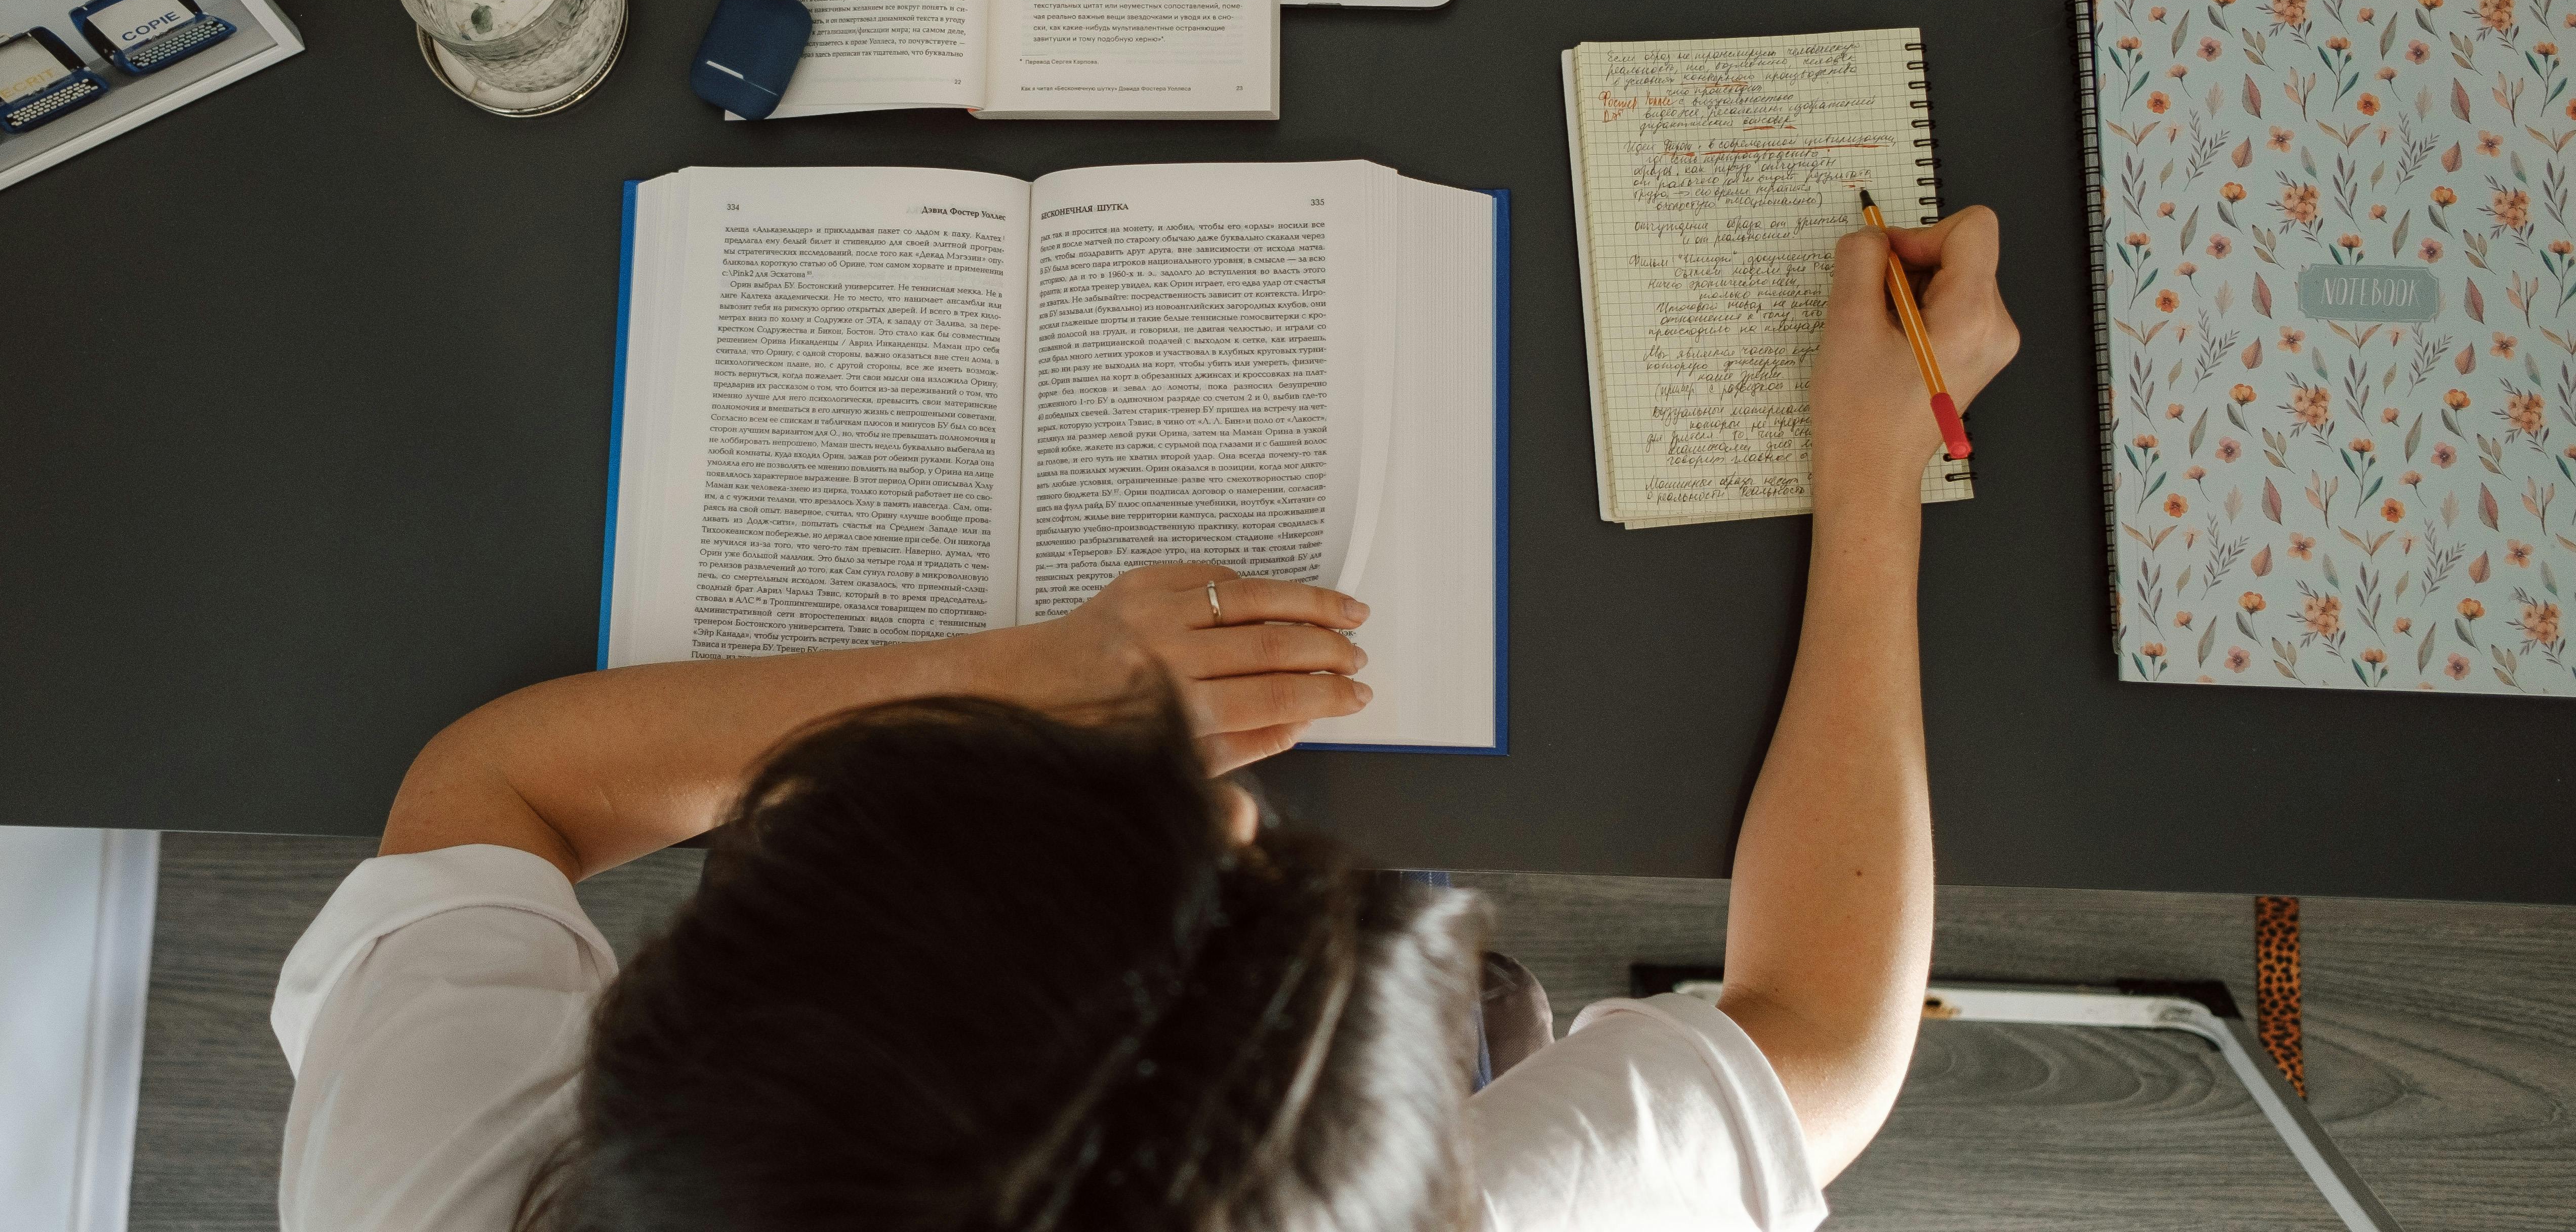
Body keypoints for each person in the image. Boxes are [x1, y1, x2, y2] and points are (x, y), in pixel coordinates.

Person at [274, 209, 2019, 1232]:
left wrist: (1045, 673)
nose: (1242, 808)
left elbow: (482, 791)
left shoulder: (438, 1185)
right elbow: (1828, 1039)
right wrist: (1876, 473)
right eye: (1243, 862)